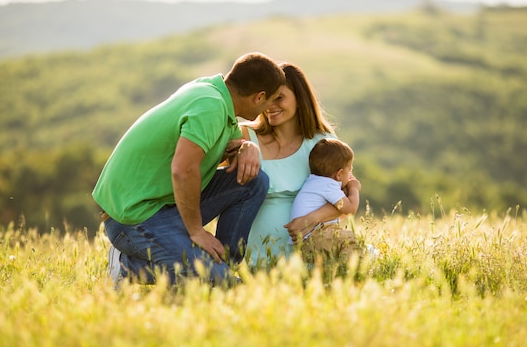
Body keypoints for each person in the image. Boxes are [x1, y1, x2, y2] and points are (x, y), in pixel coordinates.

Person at [93, 52, 286, 287]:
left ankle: (221, 265)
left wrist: (247, 147)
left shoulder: (215, 92)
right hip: (133, 216)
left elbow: (227, 150)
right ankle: (126, 267)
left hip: (166, 203)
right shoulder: (211, 106)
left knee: (254, 182)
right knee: (217, 282)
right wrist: (196, 231)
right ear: (259, 97)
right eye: (272, 100)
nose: (270, 109)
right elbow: (183, 169)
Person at [239, 62, 342, 266]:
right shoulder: (244, 135)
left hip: (310, 256)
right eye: (267, 98)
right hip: (254, 258)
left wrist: (311, 219)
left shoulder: (322, 142)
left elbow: (345, 201)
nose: (270, 106)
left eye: (279, 97)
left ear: (300, 98)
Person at [289, 138, 362, 267]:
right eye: (349, 171)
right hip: (317, 236)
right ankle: (350, 270)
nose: (350, 175)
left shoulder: (313, 182)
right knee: (348, 239)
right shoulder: (328, 185)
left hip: (308, 242)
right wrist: (354, 188)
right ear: (339, 174)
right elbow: (350, 209)